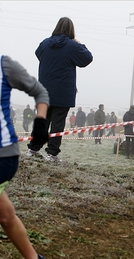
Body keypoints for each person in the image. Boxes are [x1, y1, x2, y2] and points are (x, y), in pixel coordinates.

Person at [0, 3, 49, 259]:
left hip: (1, 155)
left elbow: (40, 91)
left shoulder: (3, 65)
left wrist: (41, 122)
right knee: (5, 216)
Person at [26, 16, 93, 162]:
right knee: (58, 123)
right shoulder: (72, 46)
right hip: (63, 91)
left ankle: (33, 149)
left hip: (44, 90)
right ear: (71, 30)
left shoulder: (44, 44)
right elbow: (87, 59)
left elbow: (38, 54)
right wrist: (80, 44)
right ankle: (52, 153)